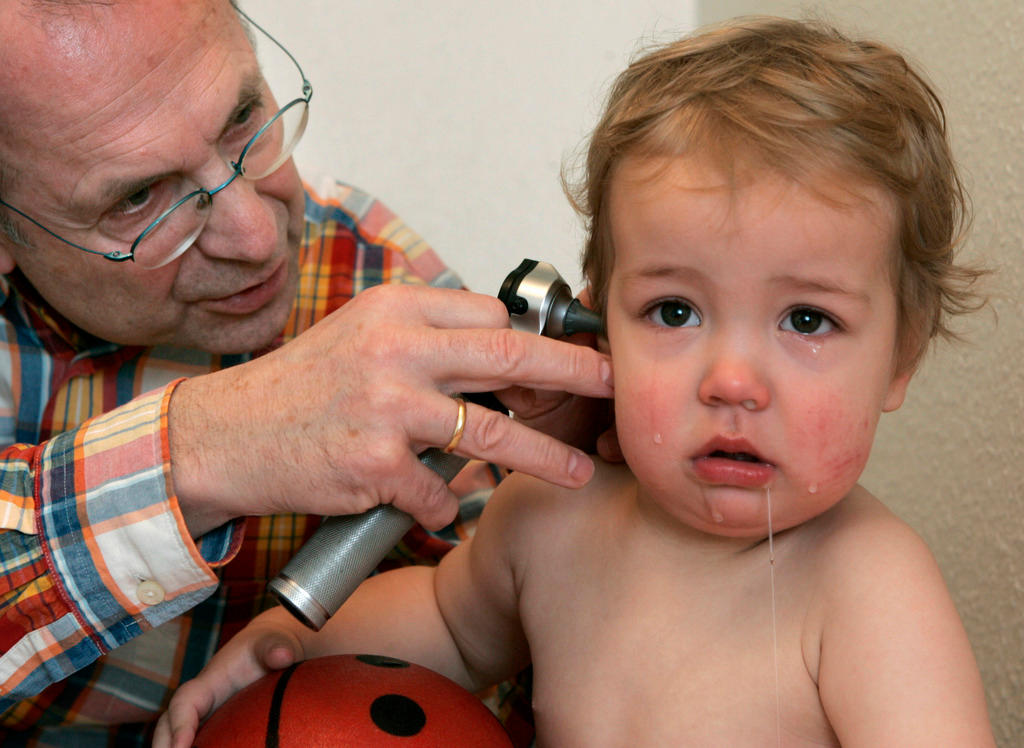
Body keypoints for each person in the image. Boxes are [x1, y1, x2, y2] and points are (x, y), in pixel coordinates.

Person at [158, 15, 997, 747]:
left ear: (901, 357)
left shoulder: (870, 590)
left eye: (807, 321)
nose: (732, 382)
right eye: (674, 312)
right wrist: (284, 647)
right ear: (597, 326)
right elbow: (448, 622)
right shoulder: (553, 515)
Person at [0, 0, 616, 743]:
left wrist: (598, 490)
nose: (259, 238)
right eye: (139, 198)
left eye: (243, 120)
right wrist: (200, 449)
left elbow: (488, 634)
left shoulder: (365, 274)